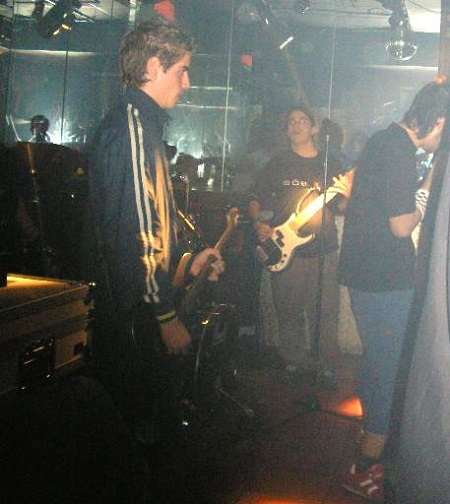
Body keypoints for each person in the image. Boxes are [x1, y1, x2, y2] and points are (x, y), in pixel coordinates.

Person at [86, 20, 224, 446]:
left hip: (141, 307)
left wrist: (187, 263)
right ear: (152, 67)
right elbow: (138, 234)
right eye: (182, 70)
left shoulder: (143, 127)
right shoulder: (131, 131)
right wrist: (165, 315)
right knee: (139, 431)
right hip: (136, 316)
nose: (188, 82)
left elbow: (153, 225)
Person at [338, 77, 450, 502]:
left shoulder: (383, 141)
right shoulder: (399, 150)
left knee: (377, 364)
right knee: (390, 371)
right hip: (384, 280)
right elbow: (401, 225)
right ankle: (365, 467)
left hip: (368, 276)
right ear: (439, 122)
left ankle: (370, 435)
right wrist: (425, 192)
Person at [248, 105, 352, 385]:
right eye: (291, 121)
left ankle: (326, 365)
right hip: (286, 250)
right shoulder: (278, 163)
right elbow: (255, 196)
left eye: (302, 120)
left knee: (326, 311)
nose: (296, 125)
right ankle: (293, 361)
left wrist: (349, 195)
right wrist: (258, 222)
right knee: (288, 309)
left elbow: (342, 206)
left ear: (315, 128)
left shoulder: (330, 165)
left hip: (324, 250)